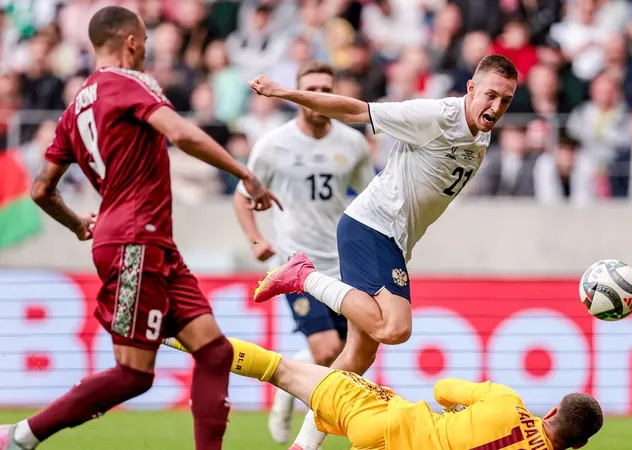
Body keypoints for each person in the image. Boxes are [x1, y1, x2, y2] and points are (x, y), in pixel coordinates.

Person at [0, 6, 280, 450]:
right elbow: (181, 134)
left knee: (215, 351)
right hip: (134, 240)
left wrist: (77, 224)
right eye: (145, 41)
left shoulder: (75, 109)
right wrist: (244, 173)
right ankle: (20, 436)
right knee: (133, 373)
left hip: (148, 241)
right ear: (131, 42)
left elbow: (40, 189)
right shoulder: (130, 82)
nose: (146, 49)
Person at [247, 54, 518, 450]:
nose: (496, 107)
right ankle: (302, 275)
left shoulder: (481, 134)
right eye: (490, 95)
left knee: (355, 359)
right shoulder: (433, 116)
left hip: (395, 239)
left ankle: (302, 446)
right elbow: (356, 111)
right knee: (395, 328)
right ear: (471, 88)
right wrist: (285, 93)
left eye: (506, 100)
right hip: (372, 227)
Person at [230, 60, 374, 443]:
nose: (320, 96)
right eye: (313, 89)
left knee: (347, 354)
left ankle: (287, 390)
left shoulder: (353, 144)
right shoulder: (273, 145)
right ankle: (302, 428)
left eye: (327, 89)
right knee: (327, 351)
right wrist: (256, 240)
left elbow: (370, 200)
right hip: (296, 266)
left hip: (344, 265)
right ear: (298, 95)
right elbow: (242, 197)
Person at [163, 336, 604, 450]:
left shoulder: (507, 401)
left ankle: (177, 335)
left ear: (551, 410)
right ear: (579, 444)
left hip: (386, 417)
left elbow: (442, 388)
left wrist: (454, 407)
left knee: (281, 369)